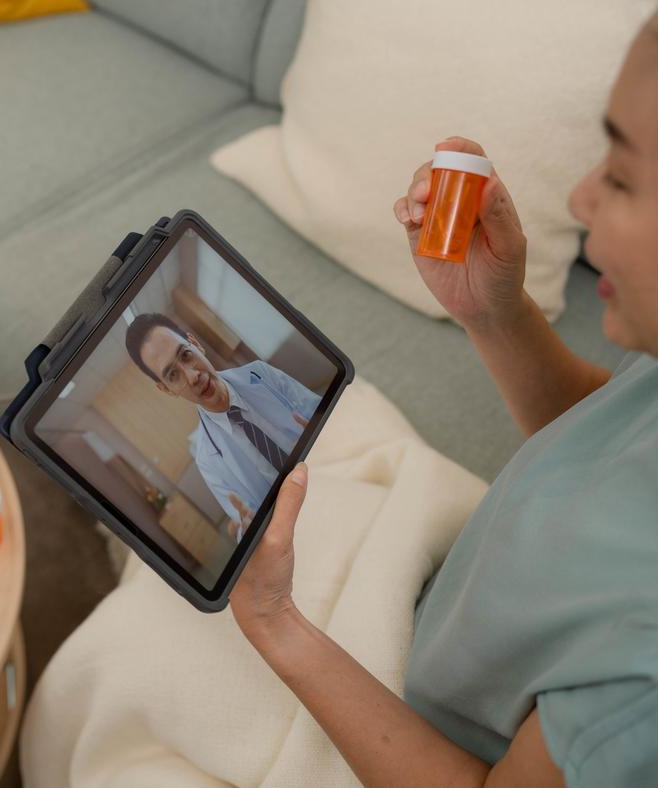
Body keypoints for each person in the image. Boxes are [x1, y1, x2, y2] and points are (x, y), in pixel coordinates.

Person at [228, 11, 658, 787]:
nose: (581, 197)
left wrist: (276, 625)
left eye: (622, 178)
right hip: (428, 608)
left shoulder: (643, 695)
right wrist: (495, 313)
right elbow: (603, 436)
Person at [124, 312, 320, 540]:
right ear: (167, 389)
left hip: (325, 463)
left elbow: (320, 409)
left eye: (186, 355)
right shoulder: (207, 460)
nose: (192, 376)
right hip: (297, 525)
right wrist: (247, 530)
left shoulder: (260, 373)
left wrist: (322, 426)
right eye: (173, 375)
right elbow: (244, 522)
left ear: (196, 344)